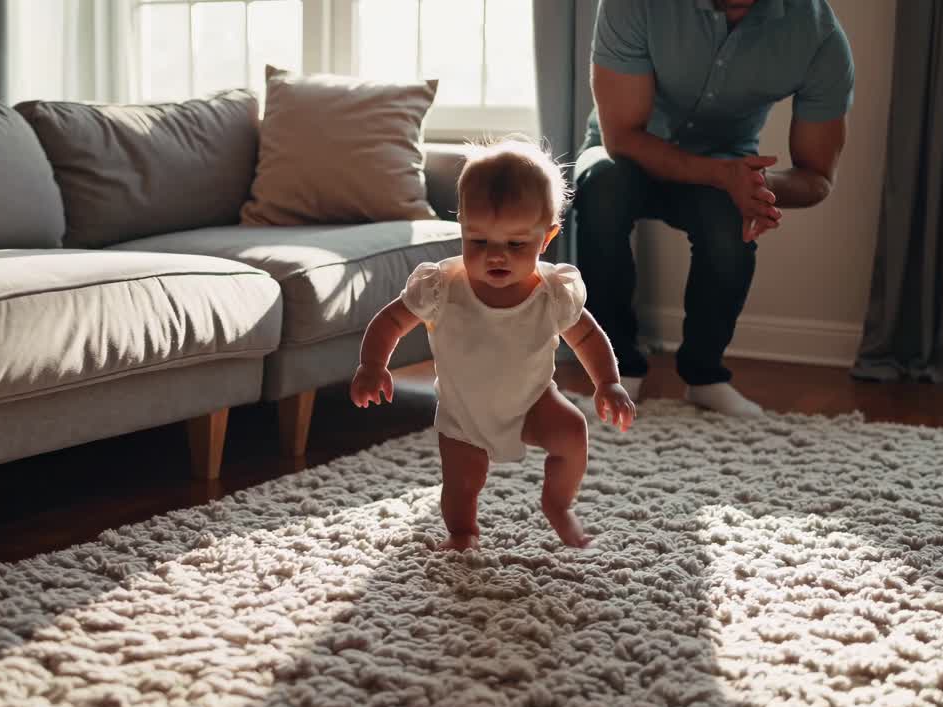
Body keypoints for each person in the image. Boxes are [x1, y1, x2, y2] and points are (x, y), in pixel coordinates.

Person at [350, 138, 636, 550]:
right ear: (463, 227)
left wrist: (607, 381)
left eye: (516, 244)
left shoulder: (551, 292)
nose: (496, 256)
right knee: (463, 484)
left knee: (572, 432)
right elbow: (392, 320)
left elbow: (587, 334)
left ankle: (557, 504)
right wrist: (373, 364)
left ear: (546, 237)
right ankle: (462, 532)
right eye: (479, 241)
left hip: (532, 401)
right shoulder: (441, 288)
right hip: (464, 414)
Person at [576, 0, 853, 417]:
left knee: (729, 224)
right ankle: (616, 372)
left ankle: (704, 376)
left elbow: (817, 175)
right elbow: (622, 138)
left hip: (724, 162)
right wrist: (725, 177)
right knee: (601, 187)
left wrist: (756, 187)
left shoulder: (818, 35)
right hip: (625, 152)